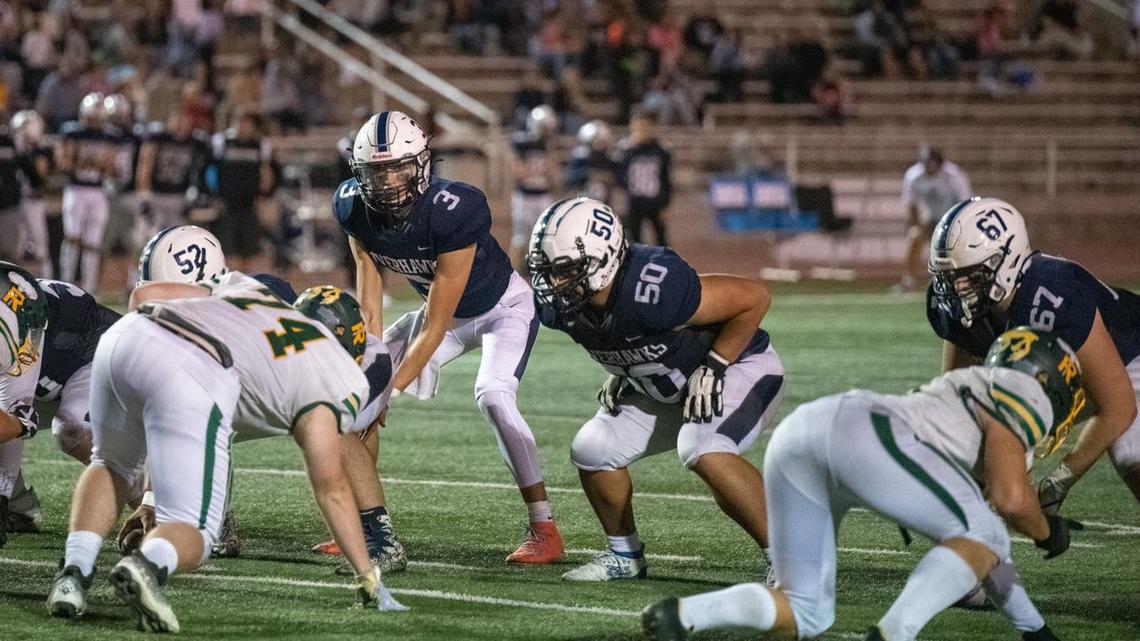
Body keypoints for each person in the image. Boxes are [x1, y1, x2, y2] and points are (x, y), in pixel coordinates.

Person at [643, 327, 1083, 641]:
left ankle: (685, 614)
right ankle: (896, 633)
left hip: (803, 436)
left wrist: (1035, 629)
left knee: (806, 611)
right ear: (1048, 379)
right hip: (865, 436)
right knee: (981, 532)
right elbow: (1009, 502)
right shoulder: (1022, 392)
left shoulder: (966, 390)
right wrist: (1049, 532)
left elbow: (989, 547)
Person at [45, 273, 405, 631]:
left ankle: (72, 576)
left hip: (125, 337)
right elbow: (332, 489)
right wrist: (367, 576)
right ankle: (148, 565)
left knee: (110, 464)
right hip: (195, 367)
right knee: (195, 532)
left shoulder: (253, 292)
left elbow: (144, 293)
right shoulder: (335, 371)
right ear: (349, 345)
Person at [334, 110, 565, 565]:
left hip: (501, 309)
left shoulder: (454, 209)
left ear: (421, 163)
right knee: (357, 394)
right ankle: (366, 523)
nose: (389, 181)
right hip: (445, 314)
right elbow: (370, 293)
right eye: (376, 171)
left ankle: (544, 527)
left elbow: (437, 324)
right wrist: (373, 362)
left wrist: (391, 391)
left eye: (399, 166)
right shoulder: (351, 206)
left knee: (494, 396)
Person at [528, 197, 784, 581]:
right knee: (593, 448)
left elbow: (754, 298)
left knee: (702, 447)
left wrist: (715, 364)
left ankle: (790, 559)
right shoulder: (562, 306)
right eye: (548, 271)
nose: (554, 283)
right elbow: (629, 337)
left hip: (741, 368)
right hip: (667, 384)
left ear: (605, 259)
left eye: (565, 270)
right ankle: (625, 555)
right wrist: (625, 368)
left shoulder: (652, 287)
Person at [927, 197, 1140, 510]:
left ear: (1007, 261)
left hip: (1130, 352)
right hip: (1069, 371)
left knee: (1130, 452)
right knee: (975, 435)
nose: (956, 290)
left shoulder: (1053, 295)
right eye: (949, 277)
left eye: (969, 276)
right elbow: (958, 394)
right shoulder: (954, 305)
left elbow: (1119, 406)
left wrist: (1058, 483)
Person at [56, 92, 118, 294]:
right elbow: (62, 162)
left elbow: (112, 168)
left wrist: (101, 165)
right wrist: (83, 162)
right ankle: (65, 283)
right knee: (72, 237)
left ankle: (89, 288)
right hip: (76, 189)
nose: (95, 122)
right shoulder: (73, 132)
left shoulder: (109, 136)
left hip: (97, 190)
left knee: (94, 241)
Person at [897, 148, 971, 293]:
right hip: (928, 218)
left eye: (932, 164)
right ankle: (909, 280)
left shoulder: (954, 176)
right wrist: (916, 225)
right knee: (914, 236)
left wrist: (955, 226)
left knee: (958, 246)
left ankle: (958, 280)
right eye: (926, 164)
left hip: (952, 218)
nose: (929, 167)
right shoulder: (914, 176)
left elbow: (964, 203)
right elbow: (911, 204)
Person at [209, 110, 274, 272]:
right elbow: (209, 171)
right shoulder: (221, 143)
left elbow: (267, 173)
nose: (243, 127)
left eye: (247, 123)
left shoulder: (260, 146)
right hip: (227, 205)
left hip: (250, 206)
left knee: (251, 251)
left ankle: (247, 286)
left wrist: (264, 196)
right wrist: (213, 196)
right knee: (228, 251)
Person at [510, 105, 561, 271]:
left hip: (543, 196)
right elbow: (517, 173)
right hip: (524, 196)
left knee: (548, 238)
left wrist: (550, 150)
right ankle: (510, 276)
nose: (547, 132)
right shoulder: (522, 144)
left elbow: (555, 177)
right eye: (545, 128)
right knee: (520, 239)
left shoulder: (548, 147)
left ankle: (546, 277)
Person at [618, 108, 671, 246]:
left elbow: (665, 178)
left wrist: (665, 204)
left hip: (655, 202)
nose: (642, 129)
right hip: (634, 202)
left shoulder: (660, 150)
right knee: (635, 241)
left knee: (662, 240)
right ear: (632, 126)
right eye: (639, 125)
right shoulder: (625, 149)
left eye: (646, 125)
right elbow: (619, 175)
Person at [11, 110, 54, 278]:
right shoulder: (11, 146)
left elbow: (41, 177)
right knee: (17, 248)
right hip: (13, 203)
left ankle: (48, 283)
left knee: (40, 246)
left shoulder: (39, 151)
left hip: (33, 201)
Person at [565, 120, 618, 204]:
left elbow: (619, 180)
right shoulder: (580, 159)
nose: (599, 146)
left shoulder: (609, 161)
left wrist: (608, 178)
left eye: (602, 142)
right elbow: (570, 179)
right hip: (582, 201)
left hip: (605, 204)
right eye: (596, 142)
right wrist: (588, 174)